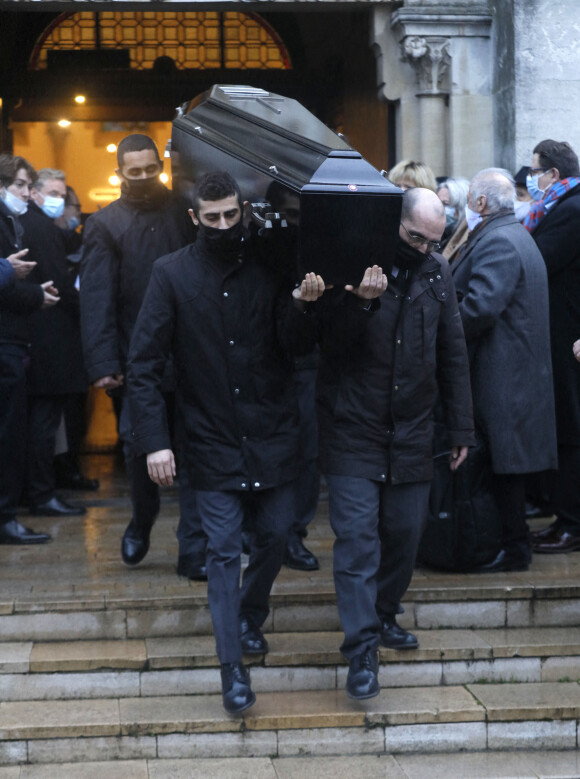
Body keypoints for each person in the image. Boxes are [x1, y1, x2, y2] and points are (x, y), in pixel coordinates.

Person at [126, 171, 319, 713]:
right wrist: (154, 443)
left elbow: (297, 345)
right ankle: (232, 670)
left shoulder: (273, 263)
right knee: (221, 551)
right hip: (208, 439)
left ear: (243, 210)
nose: (223, 224)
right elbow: (143, 364)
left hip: (274, 435)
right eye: (212, 217)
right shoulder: (171, 274)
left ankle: (249, 615)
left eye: (231, 214)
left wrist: (305, 304)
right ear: (195, 218)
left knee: (278, 536)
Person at [314, 188, 474, 700]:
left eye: (433, 241)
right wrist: (361, 303)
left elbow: (452, 351)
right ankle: (361, 651)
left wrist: (461, 429)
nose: (423, 248)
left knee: (405, 536)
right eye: (415, 238)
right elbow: (326, 344)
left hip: (413, 431)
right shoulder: (354, 258)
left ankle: (383, 614)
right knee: (358, 540)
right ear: (396, 224)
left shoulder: (437, 272)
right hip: (353, 429)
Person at [80, 134, 205, 575]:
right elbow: (97, 298)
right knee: (138, 451)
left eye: (150, 169)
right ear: (120, 173)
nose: (143, 178)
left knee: (194, 451)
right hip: (135, 360)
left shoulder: (183, 211)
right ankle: (142, 518)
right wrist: (104, 364)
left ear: (160, 165)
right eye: (134, 172)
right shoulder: (104, 224)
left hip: (190, 354)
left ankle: (194, 549)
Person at [451, 168, 557, 572]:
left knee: (506, 468)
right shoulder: (510, 233)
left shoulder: (499, 241)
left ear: (480, 203)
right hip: (509, 374)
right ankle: (508, 544)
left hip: (503, 376)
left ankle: (513, 550)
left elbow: (479, 308)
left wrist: (439, 331)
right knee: (505, 467)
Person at [521, 140, 580, 554]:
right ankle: (565, 517)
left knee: (571, 429)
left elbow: (536, 259)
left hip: (568, 338)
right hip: (560, 335)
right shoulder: (564, 206)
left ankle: (573, 523)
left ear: (553, 175)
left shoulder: (572, 210)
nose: (531, 178)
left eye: (535, 170)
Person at [21, 168, 88, 517]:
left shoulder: (32, 225)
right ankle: (42, 494)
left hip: (42, 337)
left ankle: (40, 491)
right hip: (49, 338)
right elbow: (57, 283)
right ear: (34, 193)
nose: (57, 200)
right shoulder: (41, 228)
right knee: (44, 424)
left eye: (62, 194)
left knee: (42, 422)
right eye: (52, 192)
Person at [0, 154, 58, 545]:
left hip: (12, 340)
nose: (26, 193)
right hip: (5, 341)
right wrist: (33, 293)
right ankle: (5, 516)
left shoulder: (12, 221)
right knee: (7, 432)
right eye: (20, 185)